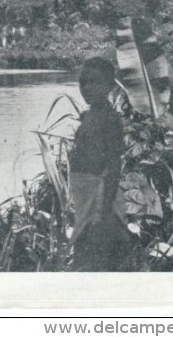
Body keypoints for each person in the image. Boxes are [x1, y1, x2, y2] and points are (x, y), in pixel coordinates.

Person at [67, 57, 130, 272]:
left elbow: (113, 165)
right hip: (86, 196)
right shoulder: (91, 115)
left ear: (110, 86)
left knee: (94, 250)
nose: (87, 88)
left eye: (94, 82)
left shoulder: (110, 119)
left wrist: (102, 212)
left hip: (100, 199)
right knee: (86, 248)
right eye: (83, 83)